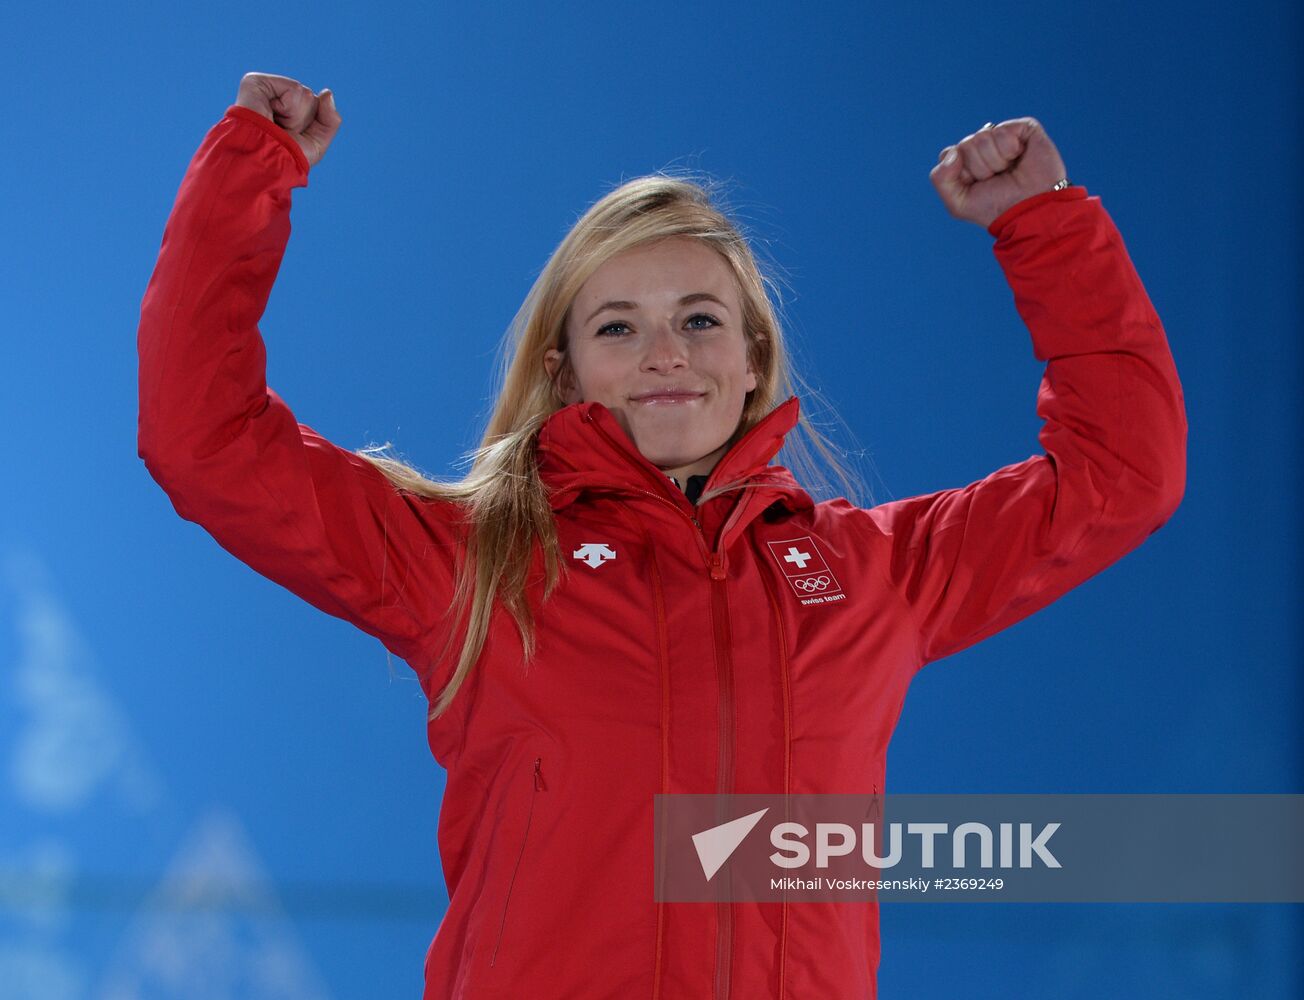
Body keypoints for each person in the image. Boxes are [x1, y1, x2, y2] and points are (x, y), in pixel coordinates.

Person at [137, 72, 1187, 999]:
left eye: (698, 318)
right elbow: (203, 437)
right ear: (564, 371)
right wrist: (249, 173)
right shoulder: (469, 561)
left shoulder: (873, 575)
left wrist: (1043, 226)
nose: (663, 355)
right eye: (615, 326)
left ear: (750, 355)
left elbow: (1121, 473)